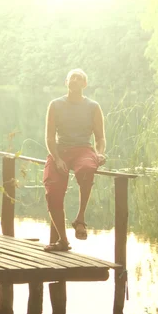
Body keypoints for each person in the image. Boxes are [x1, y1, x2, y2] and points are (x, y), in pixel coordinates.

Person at [43, 69, 106, 252]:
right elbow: (49, 137)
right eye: (73, 77)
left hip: (83, 150)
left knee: (87, 168)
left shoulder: (93, 106)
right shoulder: (55, 105)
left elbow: (100, 138)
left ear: (84, 84)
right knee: (52, 191)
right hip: (60, 149)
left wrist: (99, 153)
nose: (76, 80)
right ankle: (63, 241)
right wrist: (57, 158)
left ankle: (80, 219)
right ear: (66, 82)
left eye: (80, 78)